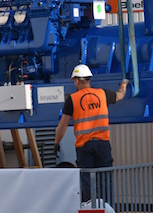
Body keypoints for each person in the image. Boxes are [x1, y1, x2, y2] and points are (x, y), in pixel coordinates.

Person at [54, 64, 129, 202]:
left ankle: (90, 208)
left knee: (87, 182)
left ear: (77, 80)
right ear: (88, 79)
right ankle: (108, 209)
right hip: (103, 145)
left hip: (84, 147)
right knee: (106, 180)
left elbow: (63, 125)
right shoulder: (103, 94)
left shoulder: (72, 99)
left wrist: (57, 143)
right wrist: (124, 84)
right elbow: (120, 96)